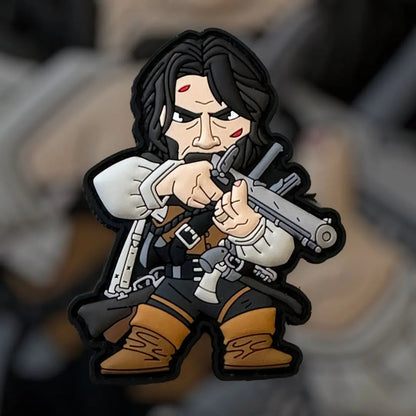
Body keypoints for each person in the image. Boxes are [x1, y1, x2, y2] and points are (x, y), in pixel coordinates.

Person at [76, 29, 333, 380]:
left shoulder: (260, 184)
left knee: (251, 312)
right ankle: (145, 350)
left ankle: (249, 350)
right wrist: (165, 182)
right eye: (185, 118)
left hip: (231, 280)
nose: (207, 136)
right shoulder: (151, 170)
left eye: (225, 117)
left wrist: (250, 230)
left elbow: (279, 248)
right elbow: (110, 188)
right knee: (156, 324)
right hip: (173, 280)